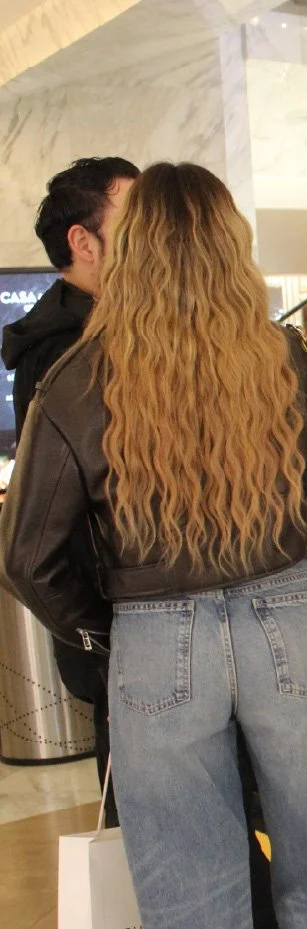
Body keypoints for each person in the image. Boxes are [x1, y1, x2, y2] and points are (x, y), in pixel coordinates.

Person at [0, 162, 307, 929]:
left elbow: (25, 557)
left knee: (193, 911)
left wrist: (105, 633)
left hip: (153, 639)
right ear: (231, 246)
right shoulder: (299, 361)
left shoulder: (80, 377)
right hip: (289, 619)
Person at [2, 157, 138, 809]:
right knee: (145, 817)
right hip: (129, 634)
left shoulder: (126, 328)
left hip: (152, 628)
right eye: (135, 220)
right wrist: (108, 632)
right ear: (84, 243)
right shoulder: (62, 352)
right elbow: (41, 544)